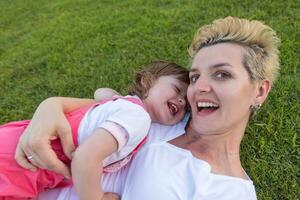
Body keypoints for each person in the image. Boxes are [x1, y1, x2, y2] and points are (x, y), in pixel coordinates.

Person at [15, 16, 280, 200]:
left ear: (259, 90)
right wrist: (48, 109)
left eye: (222, 75)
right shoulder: (158, 117)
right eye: (195, 77)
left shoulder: (228, 191)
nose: (198, 88)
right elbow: (88, 106)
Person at [0, 61, 189, 199]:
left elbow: (101, 92)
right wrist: (97, 197)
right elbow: (85, 157)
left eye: (186, 105)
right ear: (147, 81)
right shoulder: (137, 117)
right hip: (21, 167)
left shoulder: (122, 104)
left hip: (16, 141)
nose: (181, 100)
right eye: (177, 89)